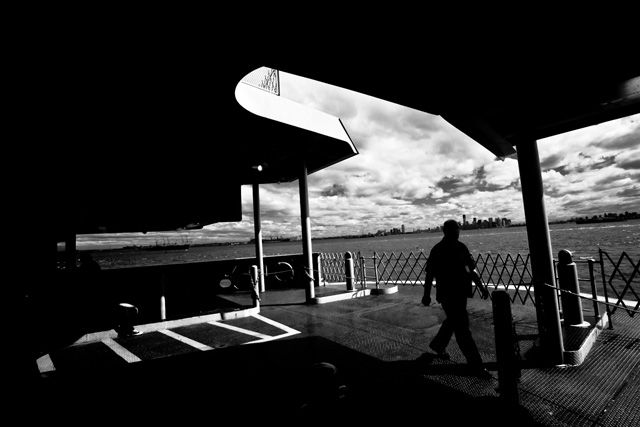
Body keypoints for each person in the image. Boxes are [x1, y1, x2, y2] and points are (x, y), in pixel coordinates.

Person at [422, 219, 492, 378]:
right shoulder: (458, 248)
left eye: (457, 230)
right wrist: (481, 286)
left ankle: (438, 345)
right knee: (462, 328)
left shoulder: (439, 249)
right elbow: (469, 270)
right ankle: (476, 365)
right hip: (453, 294)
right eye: (455, 230)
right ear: (447, 231)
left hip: (452, 294)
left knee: (453, 321)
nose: (457, 232)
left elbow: (430, 274)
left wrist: (481, 286)